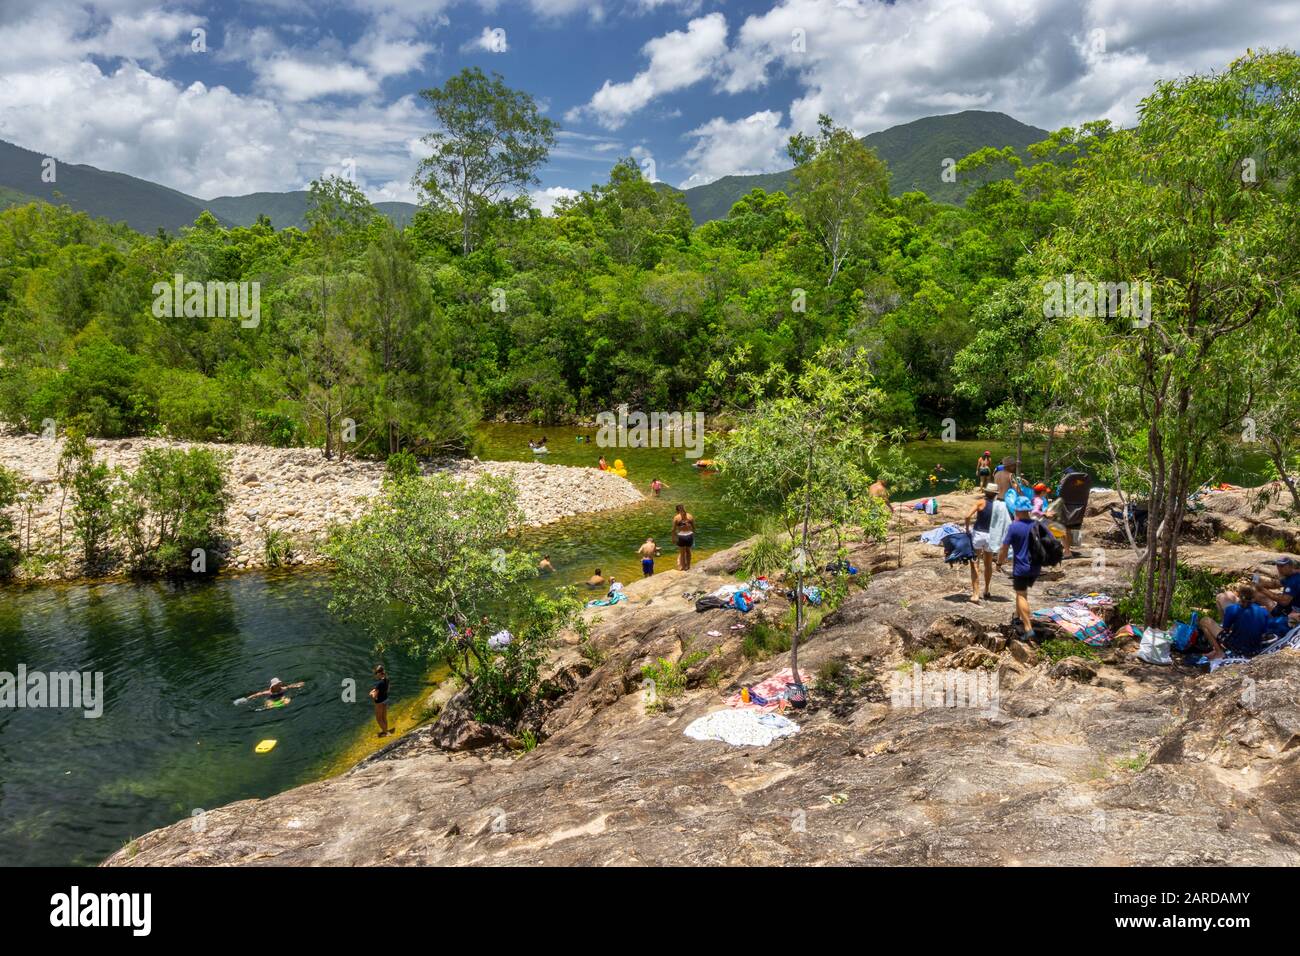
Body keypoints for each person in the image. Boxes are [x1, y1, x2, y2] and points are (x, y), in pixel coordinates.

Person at [1199, 585, 1293, 660]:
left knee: (1204, 621)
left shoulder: (1232, 609)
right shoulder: (1263, 611)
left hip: (1237, 648)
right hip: (1255, 650)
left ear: (1239, 597)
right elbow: (1263, 632)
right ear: (1253, 598)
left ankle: (1219, 652)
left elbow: (1226, 629)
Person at [996, 496, 1042, 640]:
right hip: (1034, 566)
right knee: (1021, 592)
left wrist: (999, 563)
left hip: (1021, 566)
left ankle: (1028, 628)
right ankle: (1017, 617)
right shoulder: (1036, 525)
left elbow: (1004, 549)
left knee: (1021, 594)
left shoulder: (1014, 527)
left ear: (1017, 510)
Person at [964, 484, 999, 603]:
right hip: (991, 535)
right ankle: (987, 590)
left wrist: (967, 529)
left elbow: (967, 516)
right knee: (988, 563)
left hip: (978, 534)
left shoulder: (980, 502)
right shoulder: (998, 505)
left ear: (985, 492)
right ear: (995, 494)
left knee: (975, 563)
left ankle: (975, 594)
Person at [369, 665, 390, 737]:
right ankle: (385, 730)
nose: (375, 675)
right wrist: (375, 690)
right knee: (384, 717)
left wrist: (371, 694)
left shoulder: (379, 683)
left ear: (379, 673)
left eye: (375, 673)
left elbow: (375, 697)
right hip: (385, 699)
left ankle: (386, 732)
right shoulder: (387, 679)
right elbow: (387, 690)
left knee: (379, 719)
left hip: (379, 702)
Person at [672, 504, 695, 571]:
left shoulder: (676, 517)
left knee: (682, 553)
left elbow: (673, 529)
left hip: (681, 536)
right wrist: (693, 536)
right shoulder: (690, 516)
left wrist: (673, 538)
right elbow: (694, 527)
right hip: (689, 535)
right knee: (688, 551)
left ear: (677, 510)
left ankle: (683, 567)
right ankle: (688, 566)